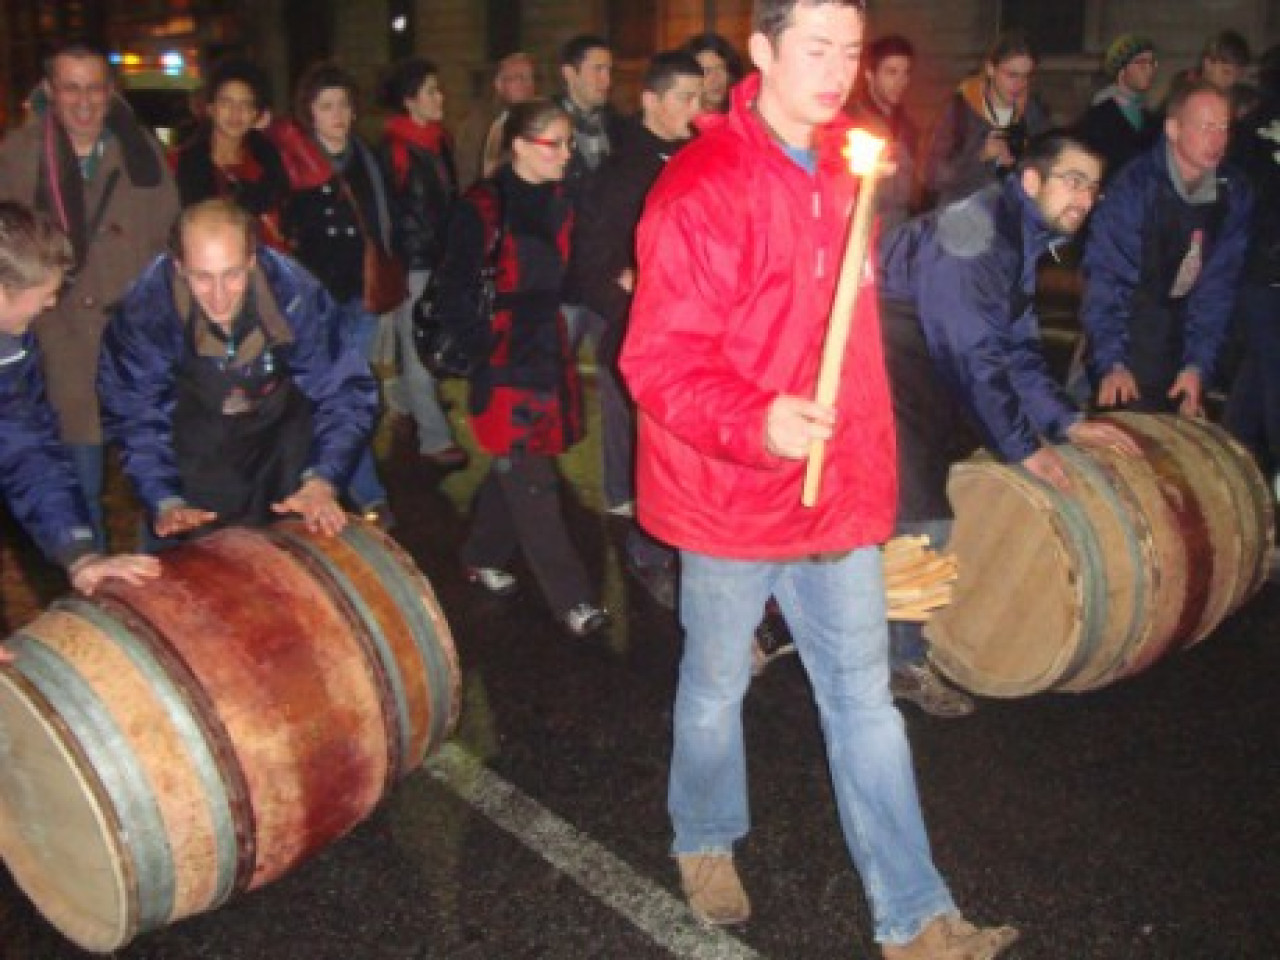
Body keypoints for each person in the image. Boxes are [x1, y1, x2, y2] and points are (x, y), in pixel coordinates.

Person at [620, 2, 1019, 956]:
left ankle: (916, 917)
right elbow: (659, 360)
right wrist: (755, 419)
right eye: (816, 49)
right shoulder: (701, 185)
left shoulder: (854, 163)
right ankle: (705, 837)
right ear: (761, 53)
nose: (838, 69)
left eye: (850, 49)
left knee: (864, 701)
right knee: (717, 685)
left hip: (832, 489)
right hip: (730, 492)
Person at [879, 133, 1140, 718]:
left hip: (920, 368)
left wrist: (1065, 421)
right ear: (1031, 180)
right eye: (1073, 181)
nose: (1086, 199)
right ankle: (899, 662)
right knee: (923, 518)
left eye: (1093, 188)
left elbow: (1016, 349)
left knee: (896, 510)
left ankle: (809, 618)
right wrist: (1024, 447)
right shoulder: (977, 235)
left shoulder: (1019, 235)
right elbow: (973, 354)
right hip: (881, 366)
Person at [97, 198, 377, 543]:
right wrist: (164, 499)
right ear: (179, 266)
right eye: (202, 277)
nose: (218, 297)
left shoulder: (294, 294)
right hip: (192, 462)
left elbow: (344, 389)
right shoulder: (146, 312)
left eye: (232, 275)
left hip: (280, 456)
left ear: (251, 261)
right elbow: (134, 414)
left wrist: (322, 479)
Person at [438, 100, 610, 639]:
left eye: (567, 143)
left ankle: (480, 552)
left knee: (519, 465)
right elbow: (453, 289)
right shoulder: (483, 206)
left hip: (545, 348)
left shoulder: (561, 199)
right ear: (519, 146)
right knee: (533, 482)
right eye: (553, 143)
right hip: (506, 355)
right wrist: (483, 346)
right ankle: (573, 599)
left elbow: (573, 272)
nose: (566, 153)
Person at [0, 41, 180, 550]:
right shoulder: (17, 155)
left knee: (158, 482)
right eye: (71, 89)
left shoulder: (142, 153)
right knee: (71, 484)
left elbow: (171, 242)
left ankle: (154, 589)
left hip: (133, 344)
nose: (84, 103)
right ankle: (88, 581)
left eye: (95, 89)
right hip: (59, 346)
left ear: (111, 91)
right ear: (50, 92)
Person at [571, 50, 704, 609]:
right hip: (641, 340)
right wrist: (634, 295)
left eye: (703, 98)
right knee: (647, 459)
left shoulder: (702, 157)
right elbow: (591, 264)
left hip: (696, 336)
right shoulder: (623, 172)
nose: (698, 110)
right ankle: (649, 553)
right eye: (686, 98)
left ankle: (685, 547)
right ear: (651, 100)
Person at [0, 202, 159, 656]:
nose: (54, 303)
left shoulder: (11, 345)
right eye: (44, 293)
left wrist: (80, 554)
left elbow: (27, 449)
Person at [267, 61, 398, 527]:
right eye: (326, 106)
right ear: (310, 113)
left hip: (359, 293)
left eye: (343, 104)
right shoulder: (294, 161)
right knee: (328, 396)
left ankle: (350, 487)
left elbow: (385, 221)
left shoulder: (365, 157)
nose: (338, 114)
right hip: (313, 300)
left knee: (352, 393)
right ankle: (360, 490)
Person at [1081, 80, 1253, 416]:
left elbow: (1216, 287)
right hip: (1133, 323)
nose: (1218, 140)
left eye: (1224, 128)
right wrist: (1112, 363)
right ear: (1174, 129)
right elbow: (1107, 279)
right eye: (1206, 127)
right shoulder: (1133, 188)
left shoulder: (1232, 192)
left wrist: (1198, 366)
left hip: (1180, 326)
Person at [377, 57, 468, 470]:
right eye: (431, 90)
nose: (440, 97)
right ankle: (433, 438)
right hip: (412, 263)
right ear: (410, 100)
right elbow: (389, 214)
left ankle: (404, 401)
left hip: (441, 260)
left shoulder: (440, 141)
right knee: (419, 350)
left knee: (429, 344)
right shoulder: (394, 149)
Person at [1224, 46, 1280, 482]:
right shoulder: (1253, 132)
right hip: (1265, 271)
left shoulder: (1249, 130)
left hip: (1258, 270)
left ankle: (1233, 462)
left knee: (1257, 375)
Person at [921, 30, 1051, 209]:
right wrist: (981, 156)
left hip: (1010, 222)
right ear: (990, 69)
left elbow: (1048, 169)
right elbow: (931, 176)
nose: (1020, 85)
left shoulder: (1033, 115)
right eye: (1011, 75)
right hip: (961, 222)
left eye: (1026, 76)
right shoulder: (960, 110)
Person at [170, 56, 289, 238]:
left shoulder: (270, 165)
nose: (236, 113)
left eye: (245, 104)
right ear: (211, 108)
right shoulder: (181, 164)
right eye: (227, 102)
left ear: (256, 114)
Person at [846, 33, 921, 233]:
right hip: (863, 234)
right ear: (869, 74)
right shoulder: (849, 125)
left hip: (900, 234)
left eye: (906, 73)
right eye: (891, 72)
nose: (901, 81)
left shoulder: (909, 127)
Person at [1076, 34, 1160, 181]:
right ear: (1121, 71)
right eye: (1141, 63)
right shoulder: (1099, 116)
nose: (1149, 69)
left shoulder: (1148, 116)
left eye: (1152, 63)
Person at [454, 52, 537, 191]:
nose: (528, 85)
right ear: (499, 84)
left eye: (531, 78)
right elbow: (469, 176)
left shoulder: (538, 119)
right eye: (519, 78)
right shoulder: (479, 124)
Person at [682, 33, 745, 115]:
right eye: (706, 71)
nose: (715, 79)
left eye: (721, 68)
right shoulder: (677, 124)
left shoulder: (744, 116)